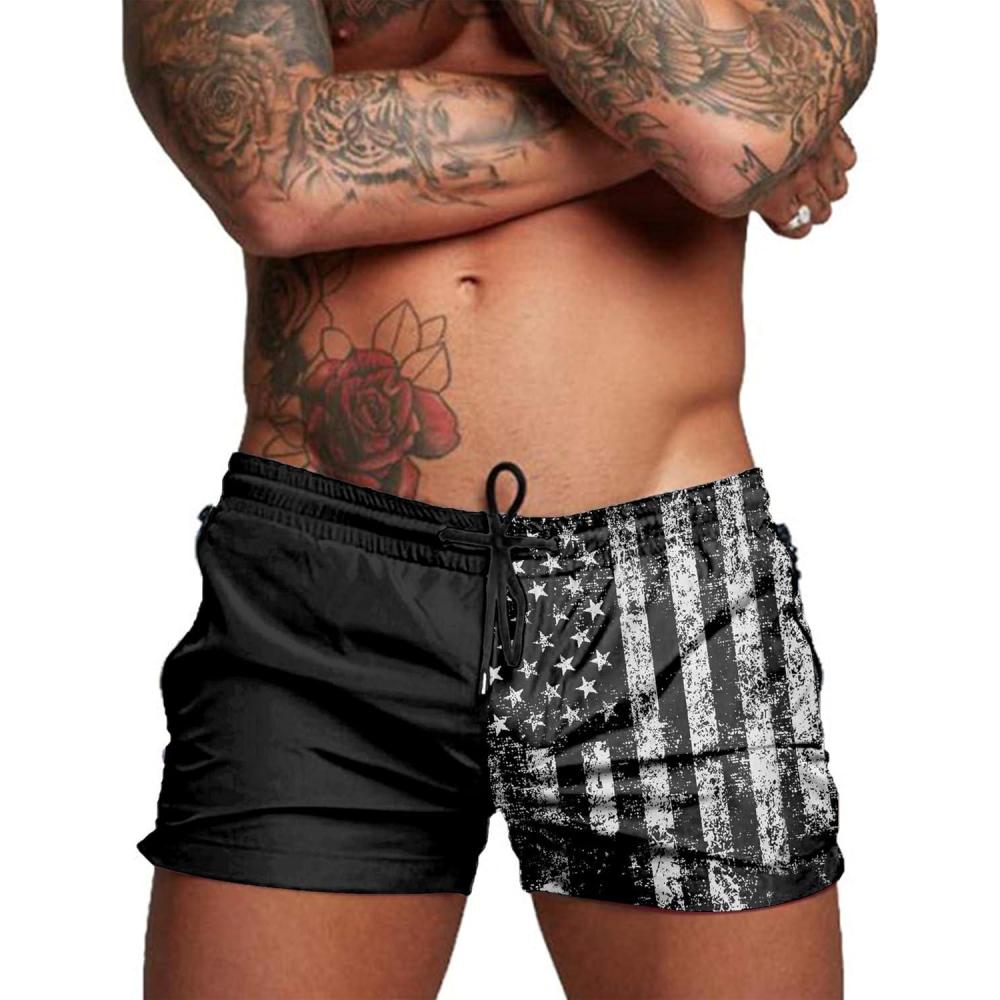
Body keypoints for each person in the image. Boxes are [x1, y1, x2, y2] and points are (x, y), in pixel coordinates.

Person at [124, 1, 876, 997]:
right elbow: (276, 178)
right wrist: (673, 138)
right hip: (322, 589)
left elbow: (741, 126)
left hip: (661, 597)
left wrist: (728, 139)